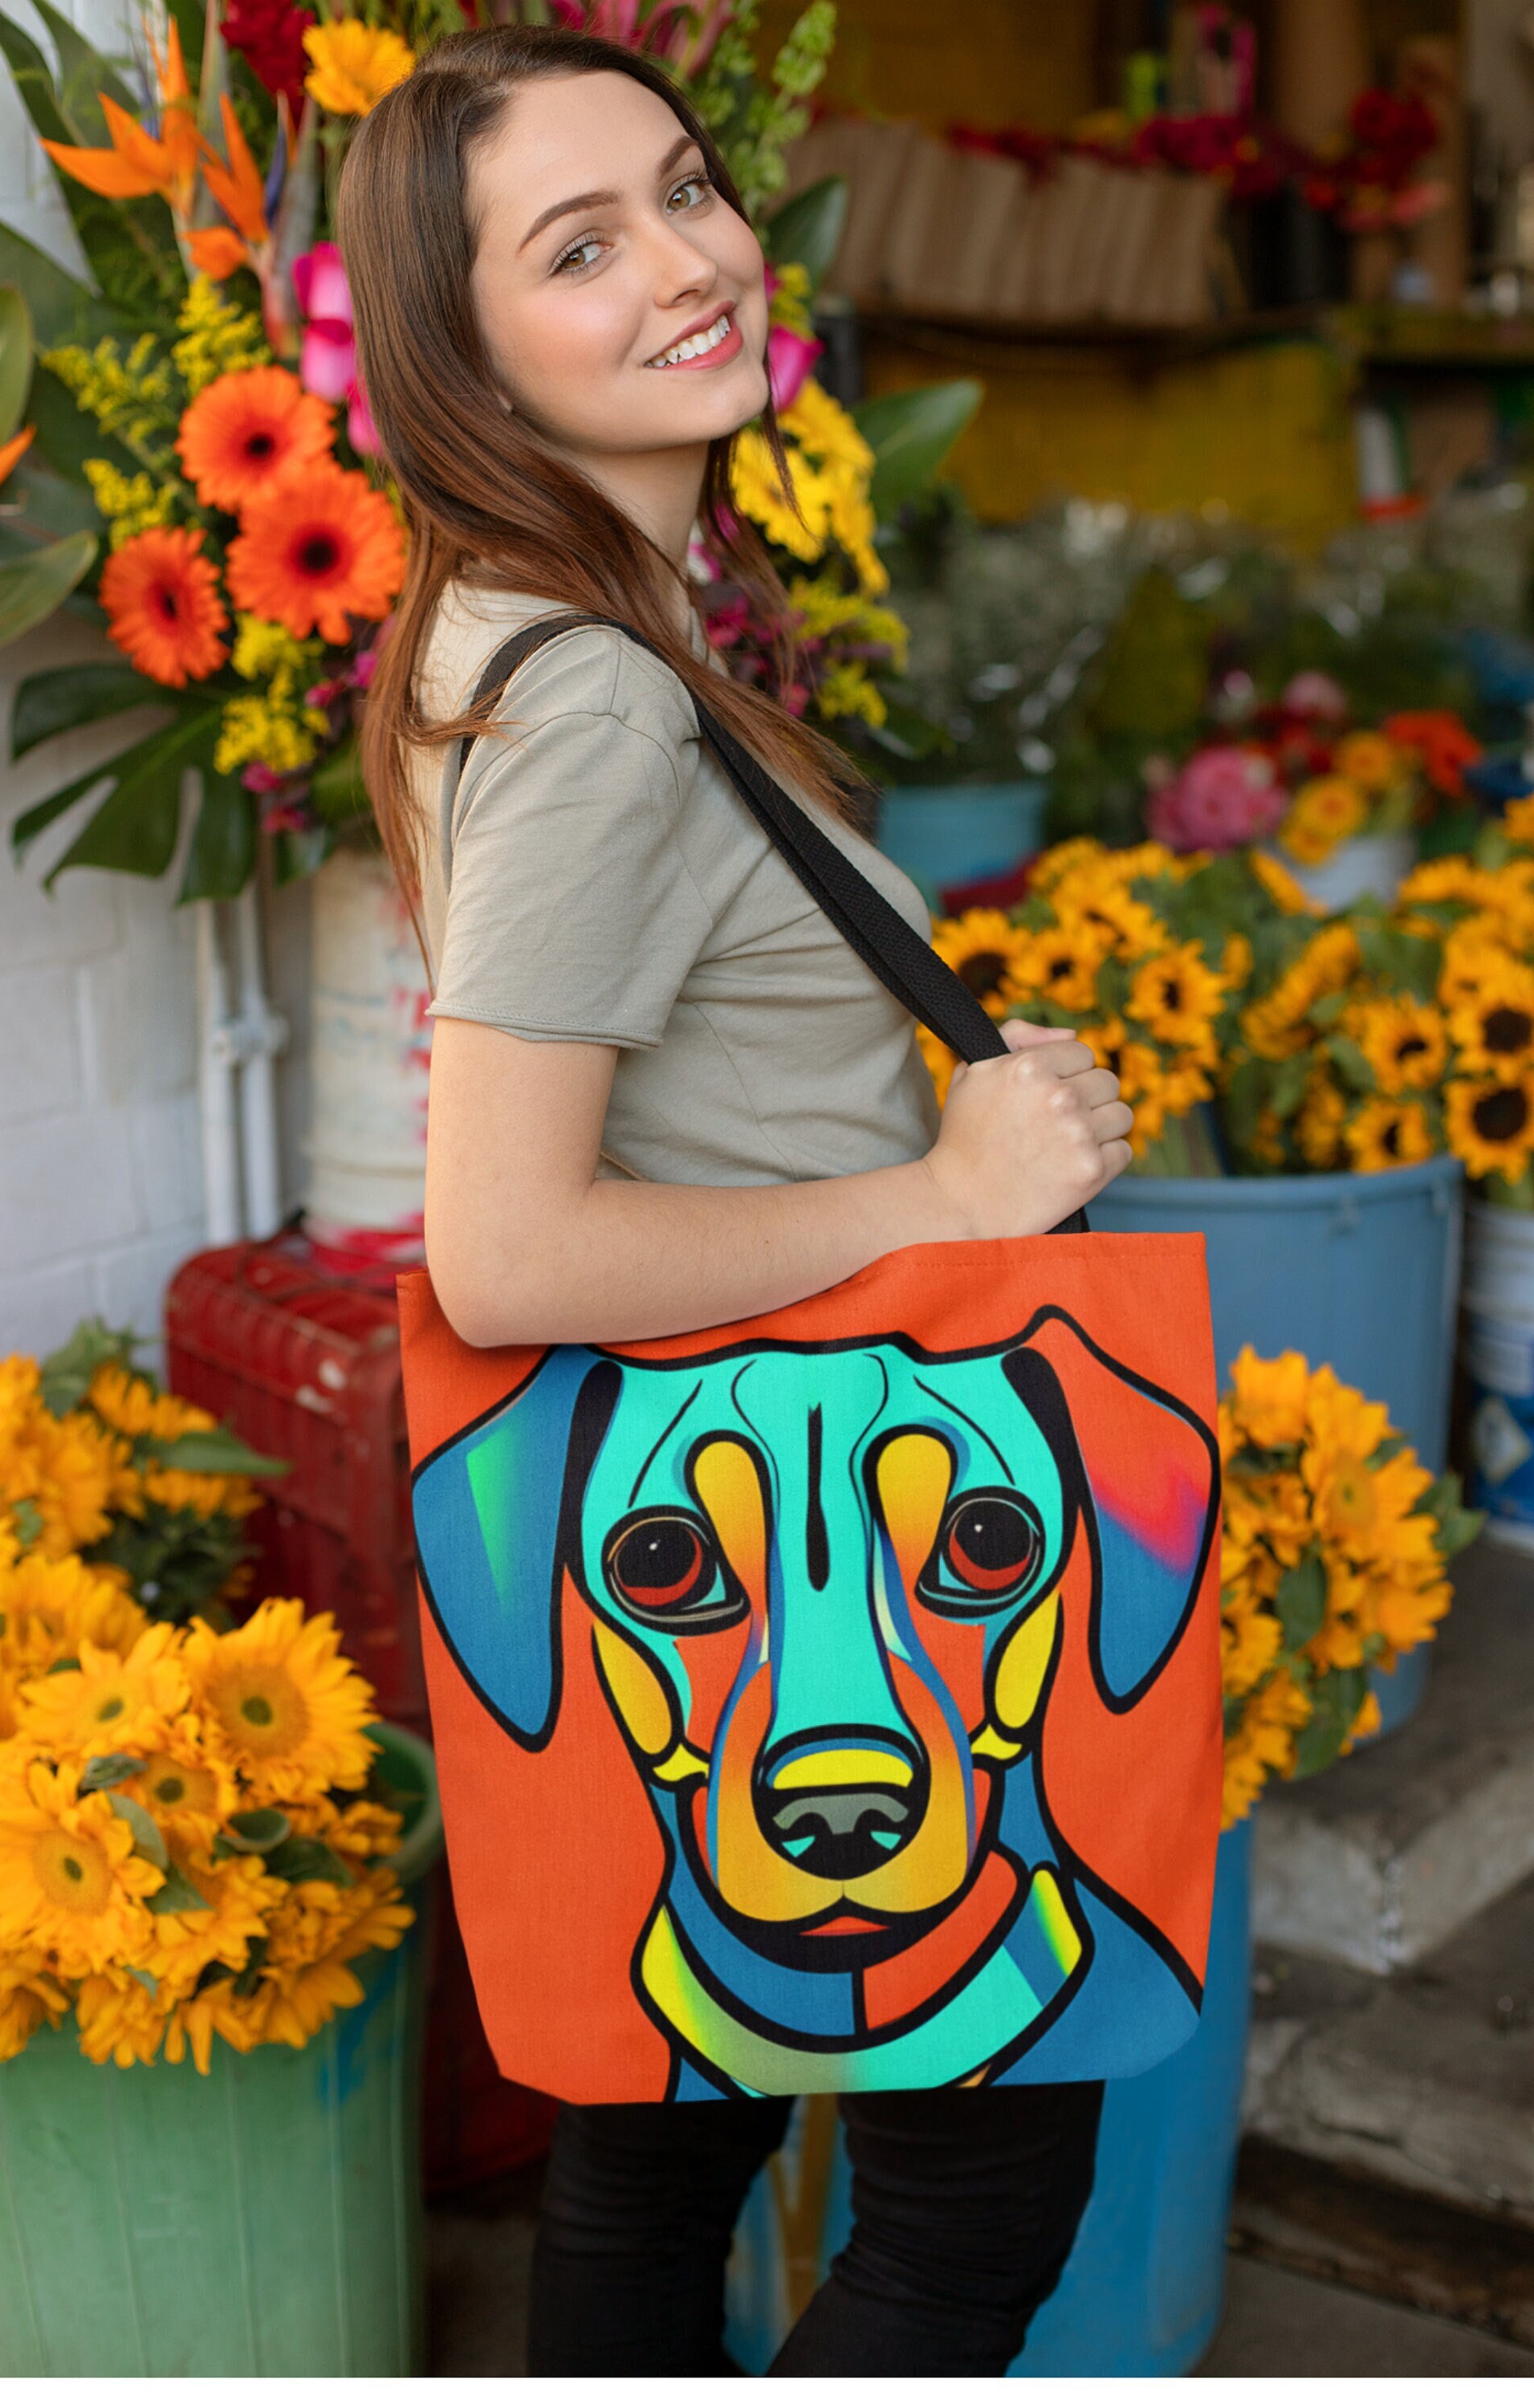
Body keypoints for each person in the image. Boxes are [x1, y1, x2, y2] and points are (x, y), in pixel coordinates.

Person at [339, 24, 1133, 2377]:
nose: (690, 263)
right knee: (973, 2213)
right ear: (465, 347)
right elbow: (506, 1251)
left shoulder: (546, 632)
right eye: (581, 247)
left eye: (686, 191)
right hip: (817, 1576)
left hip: (716, 1540)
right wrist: (946, 1182)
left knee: (659, 2150)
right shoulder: (590, 695)